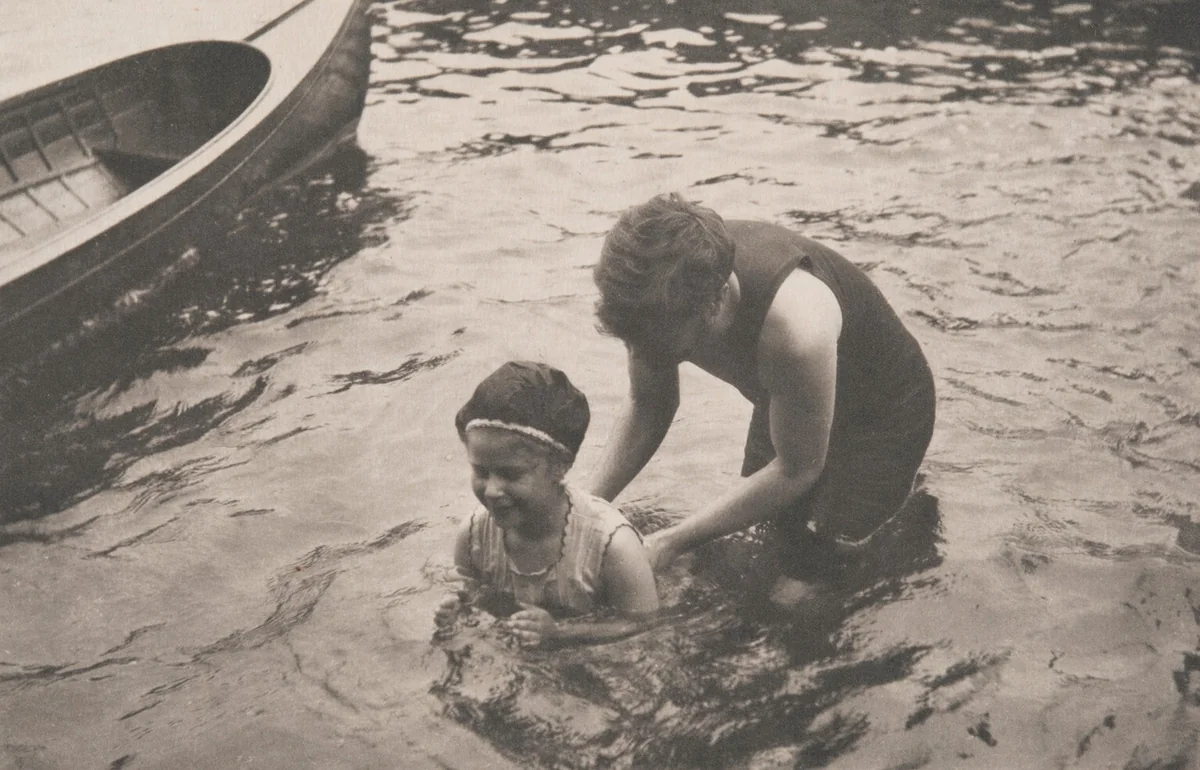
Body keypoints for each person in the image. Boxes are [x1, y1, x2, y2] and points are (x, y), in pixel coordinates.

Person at [588, 193, 936, 601]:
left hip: (882, 415)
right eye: (636, 343)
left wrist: (671, 542)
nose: (646, 358)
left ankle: (903, 534)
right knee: (763, 541)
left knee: (797, 594)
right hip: (788, 392)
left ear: (717, 301)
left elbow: (795, 470)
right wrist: (588, 507)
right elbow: (650, 406)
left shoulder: (794, 327)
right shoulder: (653, 299)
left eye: (664, 348)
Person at [435, 360, 660, 647]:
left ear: (559, 467)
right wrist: (458, 612)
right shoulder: (473, 535)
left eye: (510, 474)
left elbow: (646, 625)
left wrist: (562, 635)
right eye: (480, 471)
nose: (491, 490)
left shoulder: (613, 547)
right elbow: (468, 590)